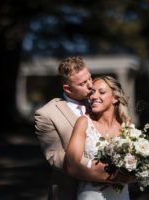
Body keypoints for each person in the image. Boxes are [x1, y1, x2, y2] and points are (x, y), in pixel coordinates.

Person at [34, 57, 126, 200]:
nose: (90, 85)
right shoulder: (47, 114)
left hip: (112, 191)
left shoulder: (100, 101)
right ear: (67, 88)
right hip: (69, 191)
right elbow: (57, 158)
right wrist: (102, 172)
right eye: (83, 83)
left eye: (90, 78)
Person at [64, 76, 133, 200]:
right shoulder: (84, 122)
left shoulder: (127, 127)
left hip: (121, 196)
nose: (94, 97)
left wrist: (132, 176)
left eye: (101, 92)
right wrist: (108, 177)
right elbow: (71, 167)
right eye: (92, 92)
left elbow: (136, 166)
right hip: (91, 195)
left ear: (115, 98)